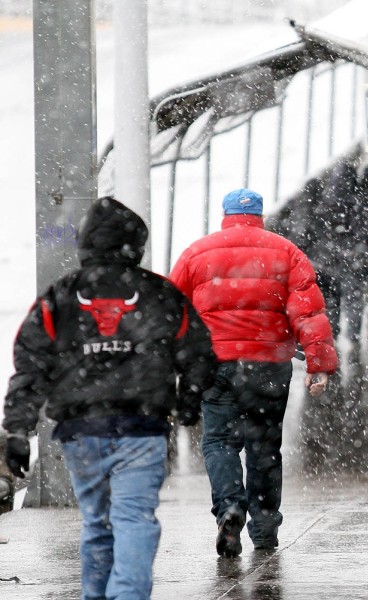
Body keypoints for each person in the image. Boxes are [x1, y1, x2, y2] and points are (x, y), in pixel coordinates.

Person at [2, 197, 216, 598]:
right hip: (143, 427)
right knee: (134, 518)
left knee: (98, 522)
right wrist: (188, 397)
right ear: (136, 244)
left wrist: (18, 429)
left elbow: (30, 362)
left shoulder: (60, 296)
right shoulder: (160, 293)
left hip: (80, 431)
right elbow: (198, 352)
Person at [169, 187, 338, 557]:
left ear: (225, 214)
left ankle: (230, 507)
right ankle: (264, 529)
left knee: (219, 442)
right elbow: (308, 312)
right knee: (264, 446)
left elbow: (172, 310)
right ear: (260, 215)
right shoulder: (286, 252)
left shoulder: (197, 253)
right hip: (268, 363)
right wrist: (319, 363)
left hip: (215, 363)